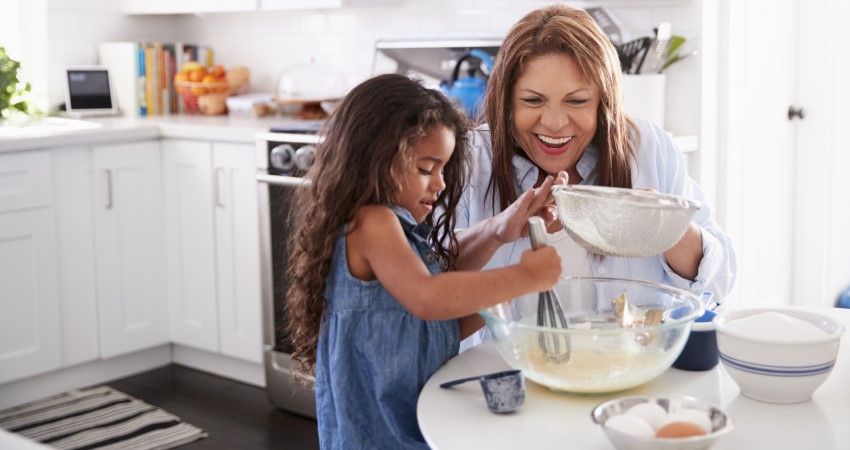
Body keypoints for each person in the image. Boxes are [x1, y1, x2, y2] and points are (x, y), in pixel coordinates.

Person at [284, 73, 561, 450]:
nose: (441, 183)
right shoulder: (372, 222)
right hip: (378, 439)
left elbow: (432, 302)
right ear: (375, 159)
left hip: (414, 424)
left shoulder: (394, 231)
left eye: (443, 169)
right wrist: (525, 277)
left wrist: (500, 232)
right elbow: (429, 297)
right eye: (426, 169)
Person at [453, 4, 737, 348]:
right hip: (506, 381)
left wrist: (668, 229)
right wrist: (497, 230)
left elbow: (719, 283)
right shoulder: (470, 159)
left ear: (603, 102)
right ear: (505, 101)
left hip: (629, 376)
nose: (555, 123)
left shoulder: (647, 149)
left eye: (576, 101)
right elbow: (422, 286)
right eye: (532, 100)